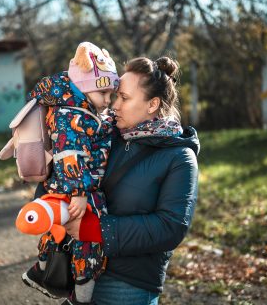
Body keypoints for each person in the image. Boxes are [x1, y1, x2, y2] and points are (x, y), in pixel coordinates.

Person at [62, 56, 200, 305]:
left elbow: (170, 227)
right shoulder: (103, 137)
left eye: (124, 98)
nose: (114, 104)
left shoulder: (179, 157)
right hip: (81, 270)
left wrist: (95, 230)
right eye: (115, 95)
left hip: (128, 284)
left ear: (152, 104)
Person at [21, 42, 119, 305]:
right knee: (90, 239)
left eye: (111, 94)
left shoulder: (78, 108)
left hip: (71, 185)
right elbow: (70, 155)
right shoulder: (73, 115)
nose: (108, 101)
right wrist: (79, 193)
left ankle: (40, 270)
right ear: (85, 88)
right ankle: (81, 297)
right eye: (104, 94)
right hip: (79, 188)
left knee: (59, 231)